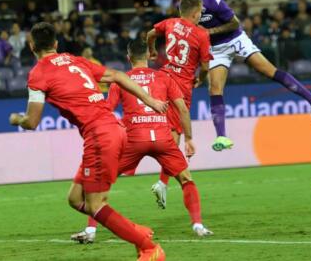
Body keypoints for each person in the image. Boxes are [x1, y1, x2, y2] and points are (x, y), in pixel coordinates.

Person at [9, 22, 167, 261]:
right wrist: (151, 100)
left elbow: (32, 122)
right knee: (75, 198)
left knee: (96, 205)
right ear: (55, 44)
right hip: (113, 128)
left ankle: (148, 247)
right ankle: (133, 230)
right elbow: (117, 75)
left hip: (99, 136)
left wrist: (17, 119)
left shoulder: (37, 74)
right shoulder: (75, 60)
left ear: (31, 46)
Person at [70, 39, 213, 244]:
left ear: (128, 58)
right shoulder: (164, 77)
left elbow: (107, 109)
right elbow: (182, 109)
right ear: (148, 55)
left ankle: (90, 231)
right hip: (163, 138)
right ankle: (198, 225)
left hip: (133, 139)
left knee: (100, 185)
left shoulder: (121, 80)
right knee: (186, 179)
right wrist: (189, 138)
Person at [163, 0, 311, 152]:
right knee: (215, 88)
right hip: (216, 49)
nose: (179, 0)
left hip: (235, 39)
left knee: (269, 71)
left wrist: (210, 31)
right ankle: (222, 136)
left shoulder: (212, 0)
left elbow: (234, 23)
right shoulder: (183, 9)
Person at [146, 0, 212, 208]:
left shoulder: (170, 23)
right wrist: (200, 80)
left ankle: (163, 183)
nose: (201, 15)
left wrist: (152, 51)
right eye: (201, 12)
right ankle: (162, 183)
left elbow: (150, 34)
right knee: (174, 137)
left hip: (162, 78)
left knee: (170, 135)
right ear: (195, 13)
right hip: (181, 85)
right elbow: (204, 66)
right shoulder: (201, 34)